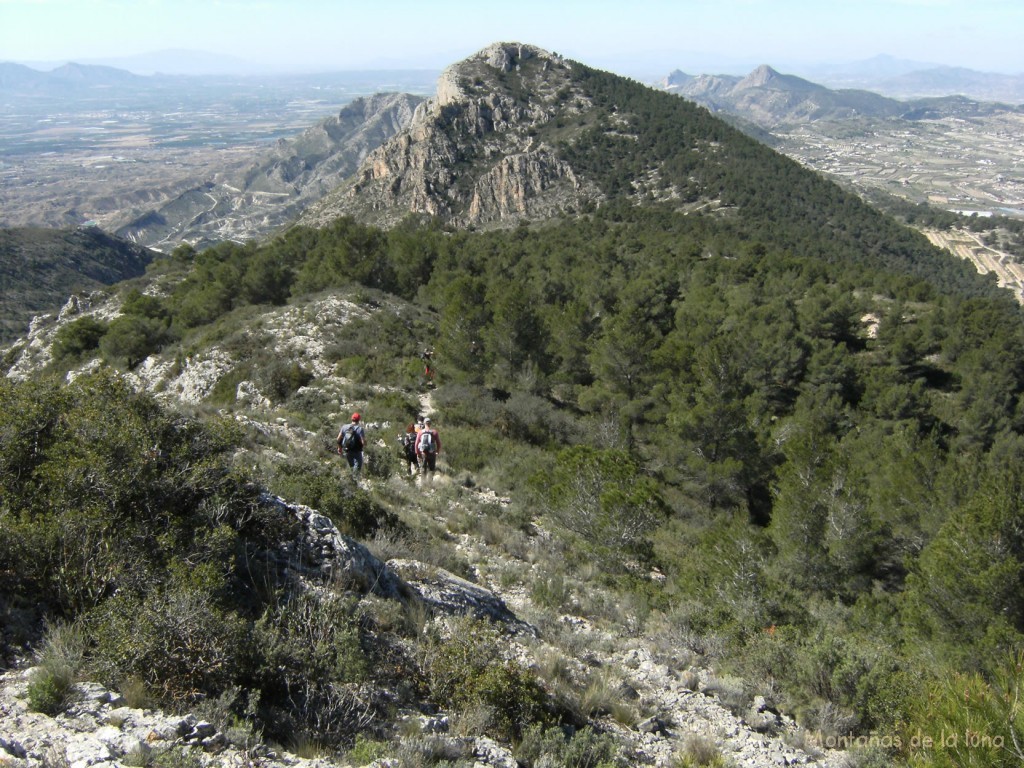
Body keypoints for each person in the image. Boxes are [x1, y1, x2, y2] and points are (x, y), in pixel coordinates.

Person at [337, 412, 366, 479]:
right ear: (359, 420)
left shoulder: (344, 427)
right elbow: (363, 442)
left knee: (351, 467)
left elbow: (338, 439)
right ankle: (354, 481)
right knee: (357, 467)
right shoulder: (359, 429)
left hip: (347, 450)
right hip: (357, 451)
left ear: (351, 419)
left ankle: (351, 480)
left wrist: (339, 448)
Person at [416, 416, 441, 480]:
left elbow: (416, 444)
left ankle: (423, 484)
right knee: (431, 469)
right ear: (430, 424)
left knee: (423, 469)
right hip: (432, 453)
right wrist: (437, 451)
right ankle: (429, 484)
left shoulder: (420, 432)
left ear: (424, 423)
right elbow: (439, 443)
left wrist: (418, 453)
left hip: (423, 453)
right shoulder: (434, 432)